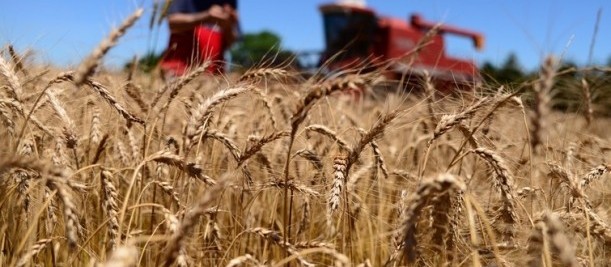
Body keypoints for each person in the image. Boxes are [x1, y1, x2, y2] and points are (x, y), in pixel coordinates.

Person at [160, 0, 239, 77]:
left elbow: (231, 42)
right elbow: (172, 22)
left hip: (214, 77)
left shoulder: (230, 2)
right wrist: (207, 16)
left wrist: (228, 25)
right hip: (179, 72)